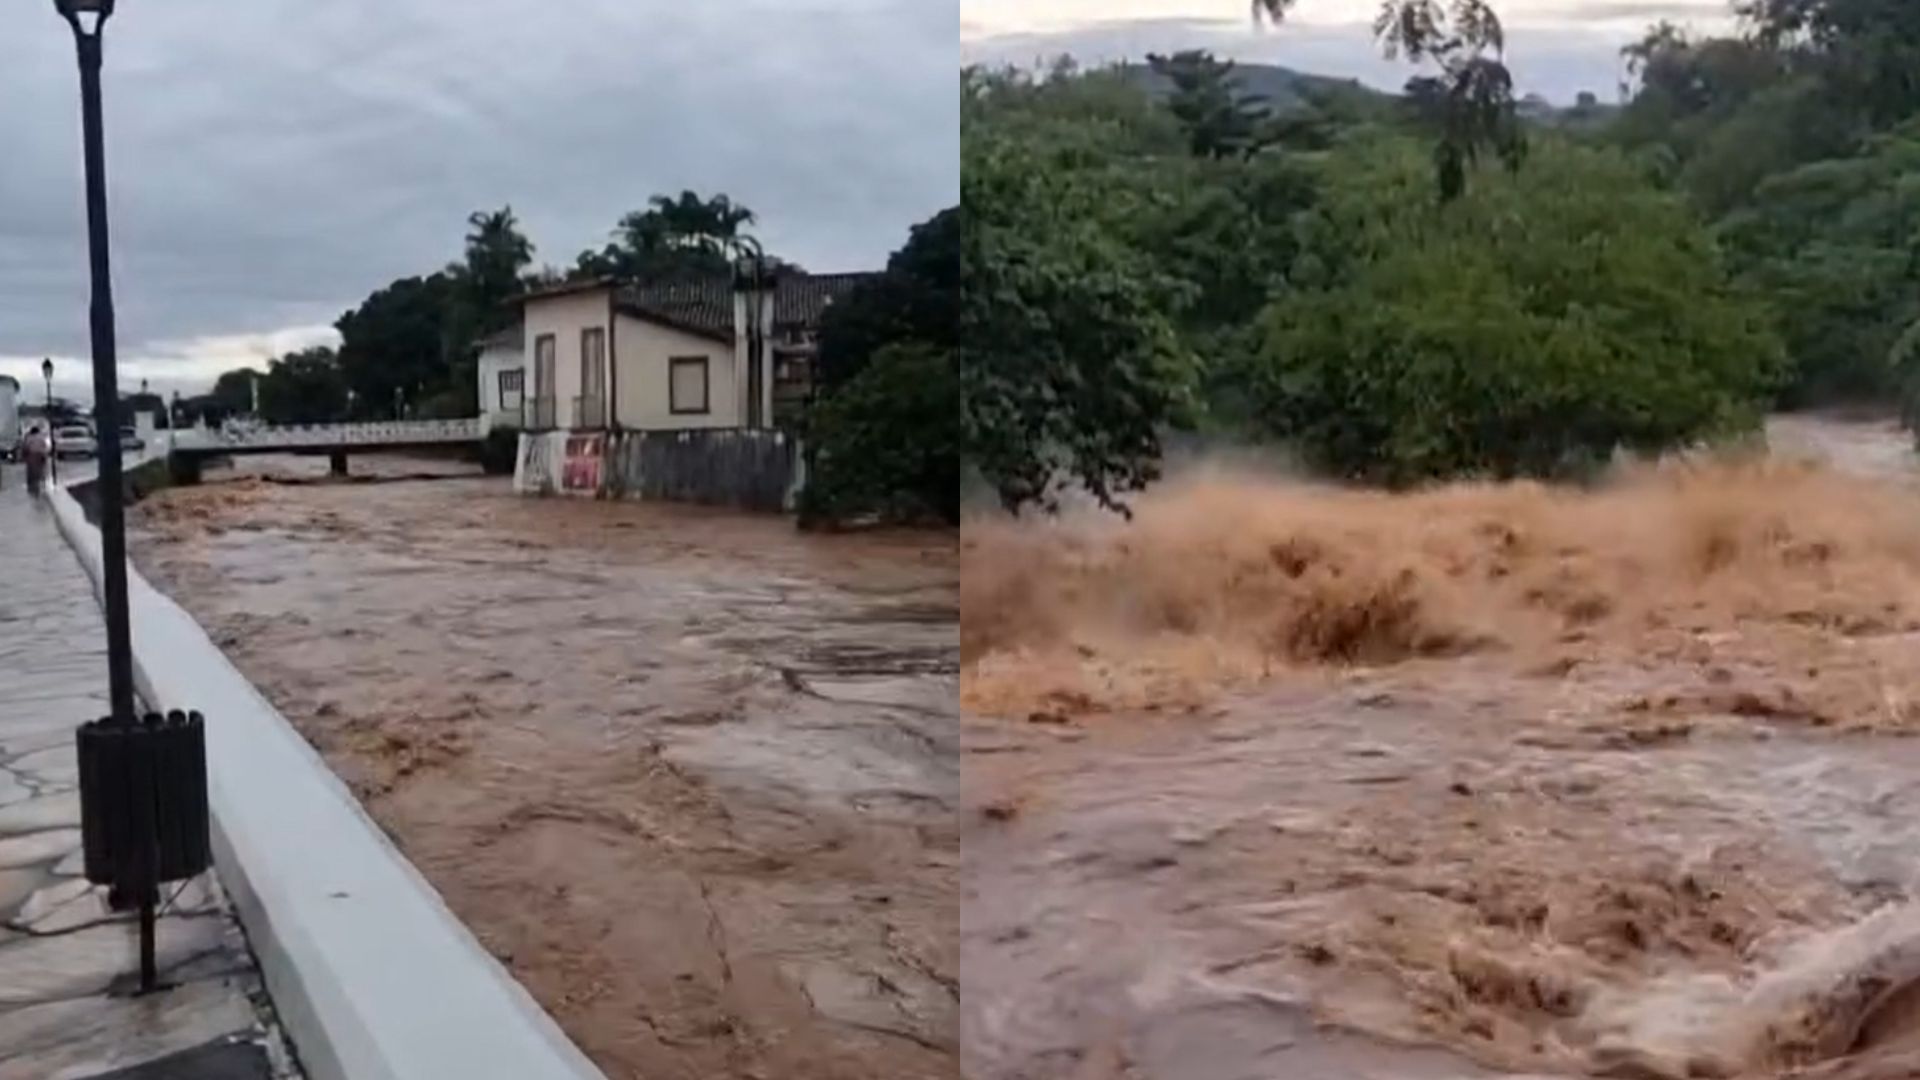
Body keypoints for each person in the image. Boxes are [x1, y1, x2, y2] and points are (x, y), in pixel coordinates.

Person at [22, 424, 50, 497]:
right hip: (41, 454)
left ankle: (32, 486)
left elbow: (26, 447)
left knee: (31, 470)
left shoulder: (29, 438)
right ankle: (43, 483)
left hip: (33, 455)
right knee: (41, 469)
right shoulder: (42, 437)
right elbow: (45, 446)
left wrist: (24, 455)